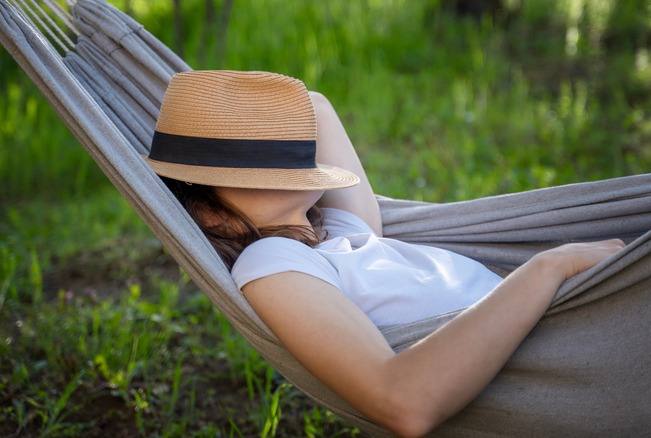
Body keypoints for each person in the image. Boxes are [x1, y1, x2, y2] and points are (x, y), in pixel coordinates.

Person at [145, 70, 625, 437]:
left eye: (285, 144)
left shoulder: (342, 232)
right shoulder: (273, 262)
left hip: (573, 333)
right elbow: (404, 403)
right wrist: (549, 266)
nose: (291, 159)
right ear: (210, 217)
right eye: (256, 163)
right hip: (555, 361)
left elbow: (317, 106)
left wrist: (263, 108)